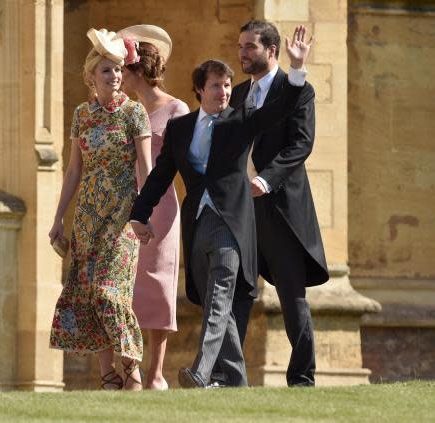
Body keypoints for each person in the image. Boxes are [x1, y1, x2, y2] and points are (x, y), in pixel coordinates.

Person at [130, 26, 313, 388]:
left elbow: (280, 110)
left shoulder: (240, 120)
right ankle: (235, 381)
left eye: (228, 86)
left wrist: (296, 70)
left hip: (231, 222)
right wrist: (138, 214)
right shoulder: (181, 128)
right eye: (216, 86)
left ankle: (201, 371)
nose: (225, 92)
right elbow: (161, 175)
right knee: (220, 302)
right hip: (197, 223)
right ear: (200, 90)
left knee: (219, 296)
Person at [49, 28, 152, 391]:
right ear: (91, 75)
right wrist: (59, 217)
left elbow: (145, 168)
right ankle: (108, 376)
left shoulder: (135, 113)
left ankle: (132, 369)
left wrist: (144, 213)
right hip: (88, 217)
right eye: (107, 70)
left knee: (111, 291)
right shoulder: (82, 115)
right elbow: (74, 169)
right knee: (91, 292)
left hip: (123, 217)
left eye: (119, 70)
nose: (115, 76)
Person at [228, 20, 330, 387]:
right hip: (241, 209)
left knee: (291, 295)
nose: (242, 53)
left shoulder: (298, 90)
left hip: (282, 209)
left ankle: (302, 378)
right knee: (237, 290)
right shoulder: (237, 94)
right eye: (240, 46)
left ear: (272, 50)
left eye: (250, 46)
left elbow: (300, 145)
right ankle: (227, 376)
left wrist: (265, 180)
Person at [117, 24, 190, 390]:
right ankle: (130, 371)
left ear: (136, 71)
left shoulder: (177, 109)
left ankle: (156, 373)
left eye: (122, 70)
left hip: (160, 206)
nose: (118, 77)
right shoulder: (125, 110)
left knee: (158, 283)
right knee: (123, 285)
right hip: (125, 205)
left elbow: (187, 161)